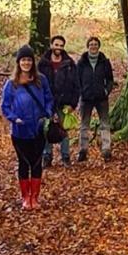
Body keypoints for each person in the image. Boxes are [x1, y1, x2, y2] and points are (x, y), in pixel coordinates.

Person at [1, 45, 53, 209]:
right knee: (23, 162)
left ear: (33, 62)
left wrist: (47, 114)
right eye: (23, 60)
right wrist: (14, 118)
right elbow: (5, 106)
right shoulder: (11, 84)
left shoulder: (41, 80)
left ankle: (35, 197)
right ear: (18, 62)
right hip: (20, 130)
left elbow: (49, 99)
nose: (26, 63)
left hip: (38, 128)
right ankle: (25, 197)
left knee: (36, 162)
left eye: (29, 60)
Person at [38, 35, 81, 167]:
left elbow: (76, 85)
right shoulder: (42, 64)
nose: (59, 48)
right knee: (46, 129)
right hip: (46, 103)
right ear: (51, 45)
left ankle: (65, 157)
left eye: (61, 45)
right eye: (56, 45)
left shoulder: (69, 64)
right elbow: (37, 84)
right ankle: (47, 156)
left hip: (64, 103)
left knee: (64, 130)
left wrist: (73, 104)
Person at [76, 37, 115, 162]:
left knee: (105, 123)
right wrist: (81, 92)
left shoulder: (104, 61)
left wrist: (106, 91)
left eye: (95, 44)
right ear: (88, 46)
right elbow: (77, 79)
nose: (93, 46)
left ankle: (106, 149)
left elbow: (110, 79)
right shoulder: (82, 62)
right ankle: (83, 150)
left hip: (101, 98)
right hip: (86, 98)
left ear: (99, 46)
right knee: (84, 125)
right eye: (91, 44)